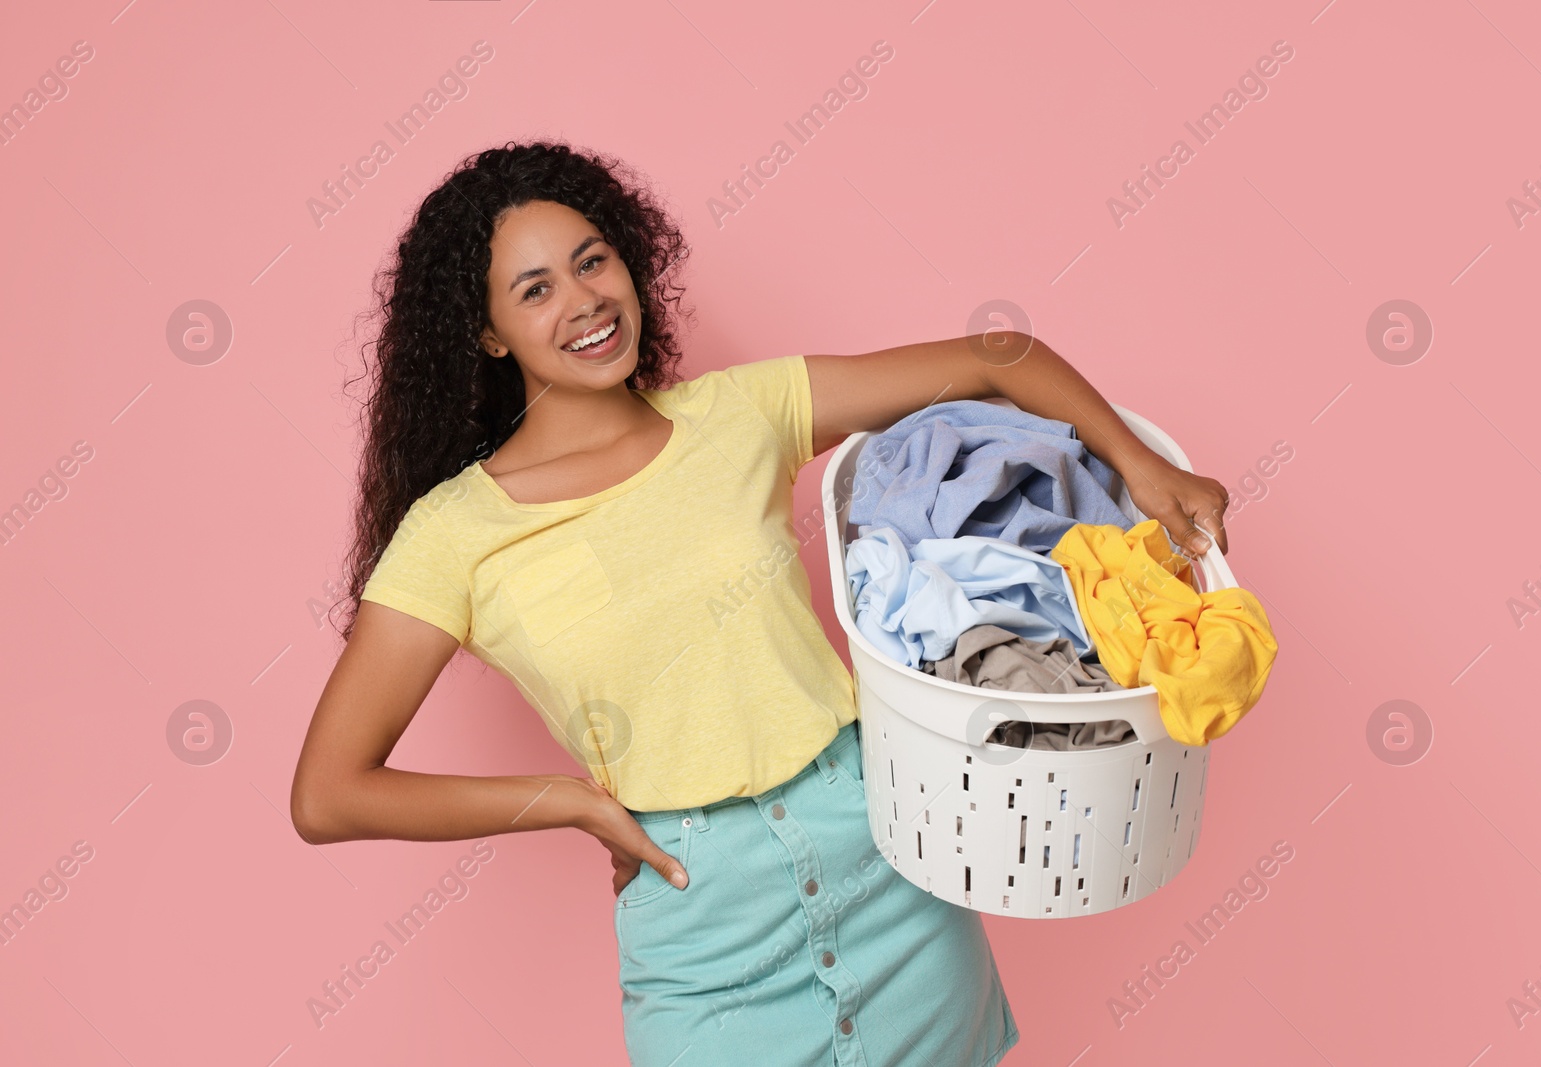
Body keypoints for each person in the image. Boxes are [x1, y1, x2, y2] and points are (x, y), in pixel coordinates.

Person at [290, 139, 1230, 1066]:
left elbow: (996, 356)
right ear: (489, 332)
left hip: (891, 864)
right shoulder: (454, 532)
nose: (583, 303)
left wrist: (1144, 467)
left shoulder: (742, 412)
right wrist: (567, 802)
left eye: (592, 261)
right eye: (535, 289)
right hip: (701, 924)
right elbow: (330, 792)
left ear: (628, 257)